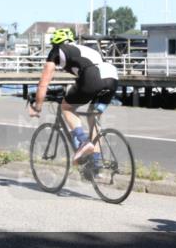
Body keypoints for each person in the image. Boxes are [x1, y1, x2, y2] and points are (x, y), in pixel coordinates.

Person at [28, 28, 120, 171]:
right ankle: (95, 165)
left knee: (66, 107)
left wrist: (37, 106)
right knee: (93, 117)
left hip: (93, 75)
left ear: (55, 43)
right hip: (112, 76)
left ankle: (83, 142)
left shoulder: (57, 51)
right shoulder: (85, 49)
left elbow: (43, 82)